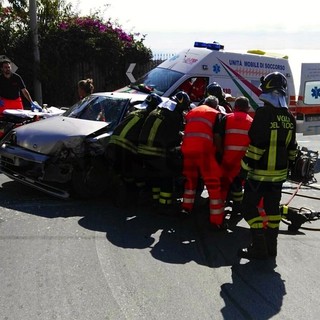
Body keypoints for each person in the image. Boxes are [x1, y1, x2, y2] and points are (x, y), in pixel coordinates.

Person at [238, 72, 297, 260]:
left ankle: (259, 246)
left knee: (248, 208)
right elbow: (292, 149)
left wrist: (244, 168)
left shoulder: (263, 113)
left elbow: (256, 145)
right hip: (279, 177)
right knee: (272, 211)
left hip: (258, 175)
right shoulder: (290, 117)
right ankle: (272, 249)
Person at [138, 91, 191, 215]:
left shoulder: (157, 110)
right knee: (167, 176)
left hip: (142, 151)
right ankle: (165, 204)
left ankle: (155, 201)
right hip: (156, 152)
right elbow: (173, 138)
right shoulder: (174, 115)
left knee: (155, 175)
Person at [107, 93, 163, 206]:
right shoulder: (149, 117)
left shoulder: (135, 112)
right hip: (126, 146)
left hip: (113, 143)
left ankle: (119, 195)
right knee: (136, 173)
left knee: (121, 172)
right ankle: (137, 197)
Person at [180, 95, 226, 230]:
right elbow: (217, 136)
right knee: (213, 184)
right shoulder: (216, 114)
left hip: (187, 150)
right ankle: (216, 220)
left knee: (190, 181)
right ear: (216, 106)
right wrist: (220, 151)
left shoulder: (192, 112)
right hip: (204, 152)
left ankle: (186, 208)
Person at [220, 96, 253, 215]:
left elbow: (219, 137)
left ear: (235, 107)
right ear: (248, 108)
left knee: (224, 184)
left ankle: (218, 209)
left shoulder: (226, 118)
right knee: (238, 184)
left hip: (227, 158)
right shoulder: (251, 122)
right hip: (242, 160)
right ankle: (237, 207)